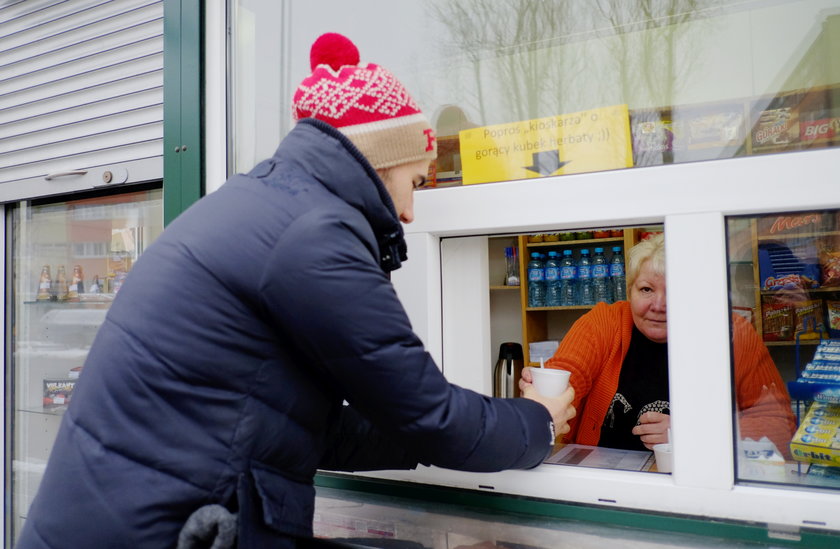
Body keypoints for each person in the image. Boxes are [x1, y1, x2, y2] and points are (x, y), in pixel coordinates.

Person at [16, 33, 575, 549]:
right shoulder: (314, 234)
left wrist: (459, 427)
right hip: (152, 530)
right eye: (417, 182)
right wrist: (537, 421)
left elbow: (320, 427)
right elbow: (428, 414)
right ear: (381, 160)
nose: (409, 211)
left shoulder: (275, 205)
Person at [520, 233, 795, 456]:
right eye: (646, 289)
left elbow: (779, 428)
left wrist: (690, 433)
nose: (659, 306)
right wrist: (542, 392)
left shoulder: (733, 334)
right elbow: (567, 375)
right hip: (604, 488)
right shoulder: (604, 323)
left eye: (675, 290)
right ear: (629, 292)